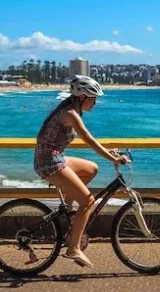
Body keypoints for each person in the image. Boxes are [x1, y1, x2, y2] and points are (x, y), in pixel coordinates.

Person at [33, 75, 124, 269]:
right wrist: (113, 158)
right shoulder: (70, 113)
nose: (96, 102)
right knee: (88, 201)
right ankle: (73, 248)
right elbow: (89, 139)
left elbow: (89, 139)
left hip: (55, 157)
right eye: (94, 98)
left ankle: (69, 210)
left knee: (91, 169)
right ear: (82, 97)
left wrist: (108, 152)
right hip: (49, 162)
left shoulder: (72, 110)